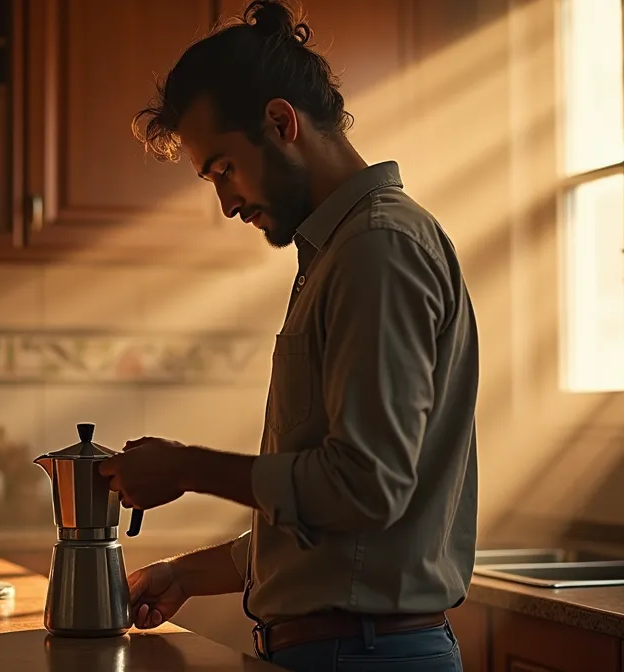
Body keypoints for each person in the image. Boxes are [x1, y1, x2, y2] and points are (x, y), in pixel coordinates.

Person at [96, 1, 481, 670]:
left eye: (223, 170)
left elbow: (366, 486)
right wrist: (194, 571)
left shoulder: (376, 248)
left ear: (281, 122)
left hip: (366, 655)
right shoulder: (341, 253)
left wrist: (185, 467)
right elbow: (339, 530)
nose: (226, 202)